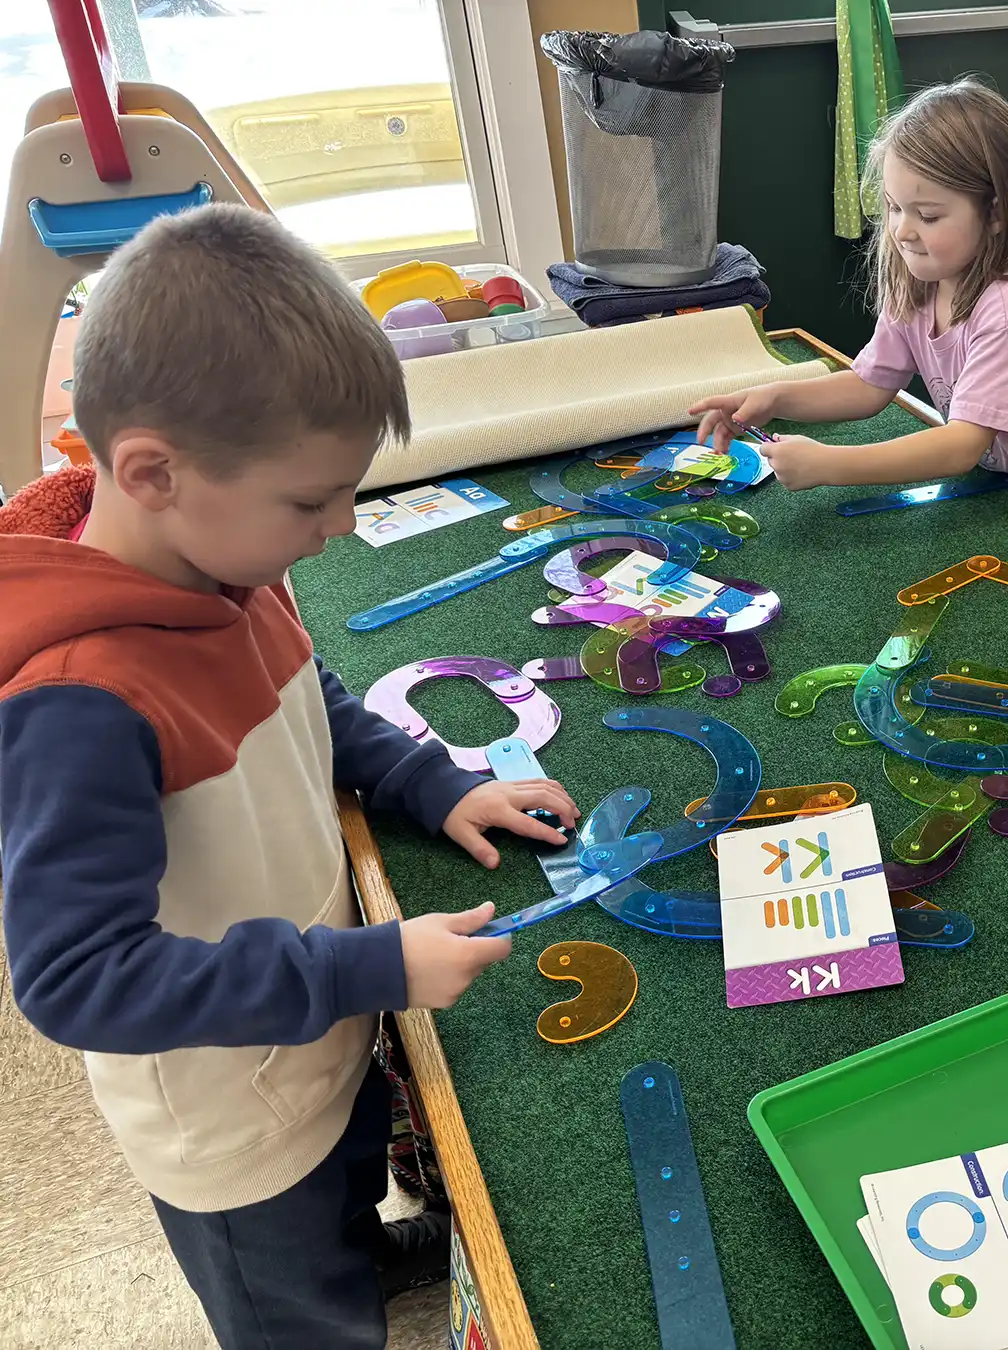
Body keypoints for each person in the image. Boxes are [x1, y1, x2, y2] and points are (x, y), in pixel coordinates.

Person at [0, 204, 577, 1349]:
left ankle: (358, 1255)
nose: (335, 527)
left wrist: (431, 782)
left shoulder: (228, 560)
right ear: (153, 473)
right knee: (295, 1313)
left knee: (350, 1196)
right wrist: (367, 962)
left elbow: (310, 700)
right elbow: (74, 978)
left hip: (318, 1031)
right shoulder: (77, 699)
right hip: (234, 1134)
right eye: (311, 501)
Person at [689, 78, 1008, 524]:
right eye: (893, 207)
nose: (902, 230)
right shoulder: (920, 281)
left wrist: (830, 464)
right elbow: (869, 385)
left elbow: (961, 445)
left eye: (927, 215)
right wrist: (773, 398)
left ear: (998, 213)